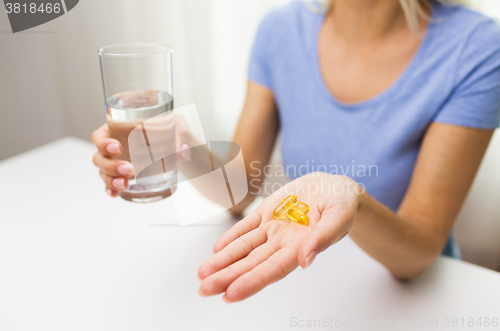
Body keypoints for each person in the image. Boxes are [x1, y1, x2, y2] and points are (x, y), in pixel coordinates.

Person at [91, 0, 500, 303]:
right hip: (306, 275)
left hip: (415, 294)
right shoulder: (280, 30)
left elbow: (420, 254)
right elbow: (240, 191)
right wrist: (180, 142)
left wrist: (352, 201)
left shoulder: (477, 48)